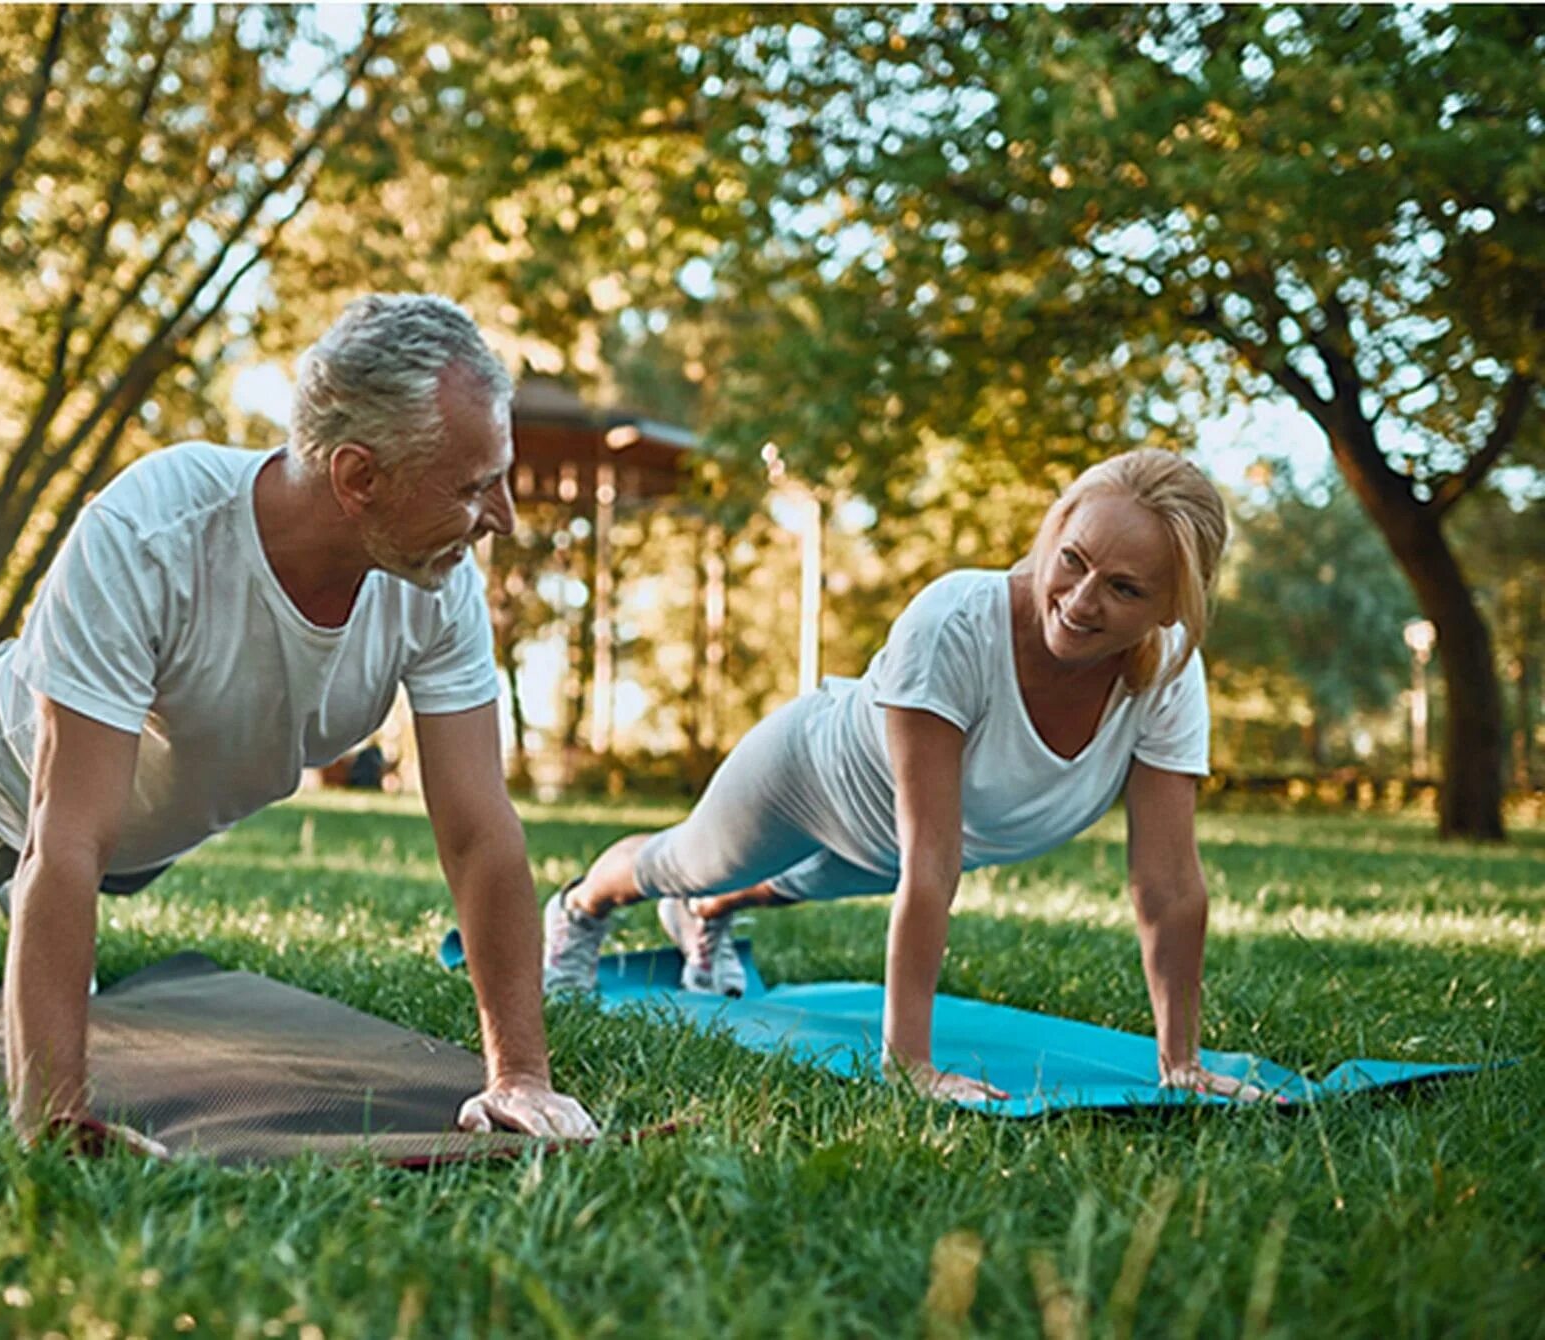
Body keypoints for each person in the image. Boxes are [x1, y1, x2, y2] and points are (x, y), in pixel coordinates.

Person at [0, 294, 597, 1150]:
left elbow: (479, 831)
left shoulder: (433, 580)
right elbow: (64, 839)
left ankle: (37, 911)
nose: (501, 518)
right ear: (358, 478)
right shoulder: (149, 534)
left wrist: (521, 1077)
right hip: (18, 778)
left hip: (150, 823)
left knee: (107, 871)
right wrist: (52, 1114)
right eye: (472, 488)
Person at [542, 449, 1269, 1104]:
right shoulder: (957, 620)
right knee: (685, 863)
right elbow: (930, 857)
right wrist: (910, 1064)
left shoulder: (1168, 674)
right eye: (1072, 560)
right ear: (1050, 535)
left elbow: (1168, 881)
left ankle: (709, 919)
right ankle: (580, 911)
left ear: (1175, 604)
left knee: (768, 889)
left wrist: (1182, 1063)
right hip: (810, 778)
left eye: (1124, 588)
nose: (1080, 601)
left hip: (890, 851)